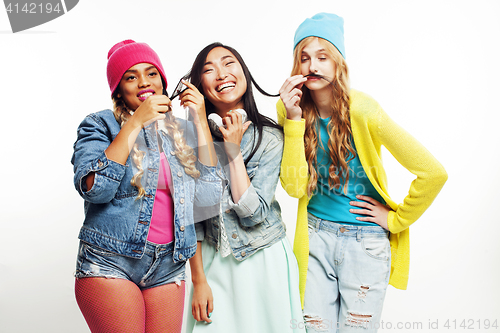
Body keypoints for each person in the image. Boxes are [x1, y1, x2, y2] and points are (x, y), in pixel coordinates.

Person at [278, 13, 448, 332]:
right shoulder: (289, 110)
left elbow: (433, 172)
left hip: (365, 244)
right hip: (314, 239)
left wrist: (395, 220)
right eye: (304, 57)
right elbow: (294, 187)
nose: (312, 65)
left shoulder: (364, 110)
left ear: (338, 62)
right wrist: (292, 119)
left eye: (322, 56)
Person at [71, 39, 222, 333]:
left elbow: (210, 197)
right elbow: (96, 189)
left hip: (168, 268)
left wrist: (200, 121)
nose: (144, 82)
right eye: (131, 76)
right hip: (110, 262)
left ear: (163, 81)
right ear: (119, 88)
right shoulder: (99, 125)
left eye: (151, 73)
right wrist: (136, 122)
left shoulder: (183, 131)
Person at [184, 42, 304, 333]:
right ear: (200, 87)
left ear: (244, 73)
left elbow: (253, 214)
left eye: (229, 64)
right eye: (208, 70)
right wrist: (199, 280)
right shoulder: (189, 141)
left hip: (264, 259)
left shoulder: (270, 138)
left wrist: (233, 152)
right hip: (214, 263)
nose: (221, 74)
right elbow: (193, 217)